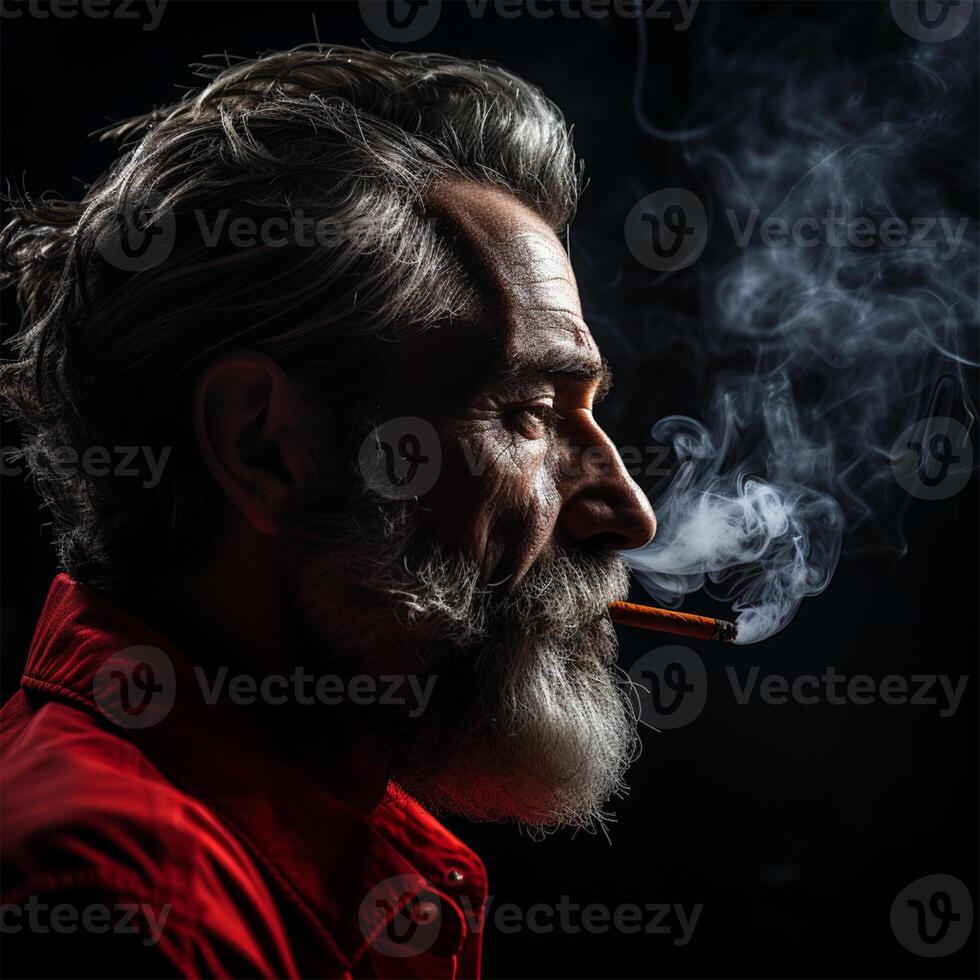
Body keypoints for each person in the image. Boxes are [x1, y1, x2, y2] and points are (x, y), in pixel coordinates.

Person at [0, 45, 656, 978]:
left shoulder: (336, 839)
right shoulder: (112, 899)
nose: (628, 514)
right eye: (530, 415)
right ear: (266, 447)